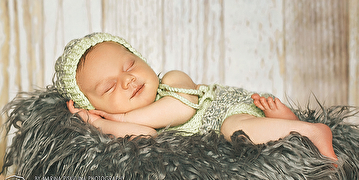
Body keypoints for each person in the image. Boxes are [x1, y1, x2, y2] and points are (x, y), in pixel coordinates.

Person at [52, 32, 337, 160]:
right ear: (93, 104)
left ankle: (312, 131)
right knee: (244, 140)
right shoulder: (130, 121)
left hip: (227, 110)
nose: (127, 80)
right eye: (110, 88)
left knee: (235, 130)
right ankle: (285, 125)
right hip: (217, 139)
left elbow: (183, 109)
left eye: (130, 65)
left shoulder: (172, 81)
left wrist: (123, 116)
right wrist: (98, 123)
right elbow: (146, 136)